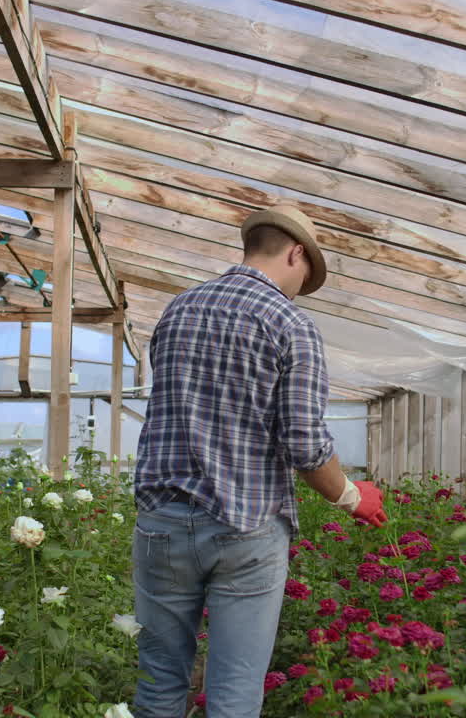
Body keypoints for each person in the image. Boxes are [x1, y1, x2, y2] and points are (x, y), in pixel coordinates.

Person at [130, 205, 388, 718]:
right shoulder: (290, 323)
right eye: (305, 276)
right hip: (245, 527)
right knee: (235, 693)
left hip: (161, 521)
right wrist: (351, 495)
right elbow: (303, 442)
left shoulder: (177, 310)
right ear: (296, 253)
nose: (299, 288)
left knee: (159, 681)